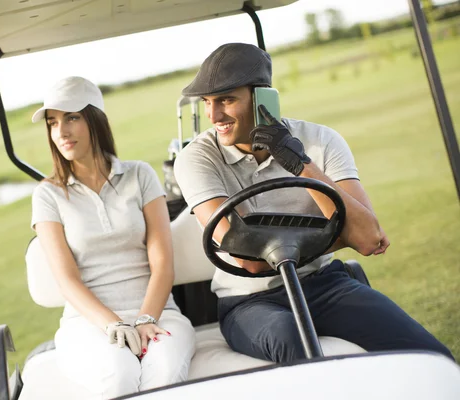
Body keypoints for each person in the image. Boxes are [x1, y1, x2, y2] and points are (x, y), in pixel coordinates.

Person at [173, 43, 453, 363]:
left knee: (433, 356)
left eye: (226, 99)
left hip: (326, 285)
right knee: (296, 344)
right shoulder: (196, 158)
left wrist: (299, 164)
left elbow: (367, 237)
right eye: (207, 102)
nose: (213, 115)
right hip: (250, 301)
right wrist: (336, 234)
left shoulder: (320, 140)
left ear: (264, 97)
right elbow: (249, 259)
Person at [30, 76, 196, 398]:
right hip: (88, 324)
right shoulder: (47, 196)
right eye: (53, 123)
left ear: (95, 119)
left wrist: (146, 318)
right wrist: (114, 325)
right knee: (120, 374)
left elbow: (163, 265)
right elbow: (67, 281)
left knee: (163, 374)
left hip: (159, 313)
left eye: (72, 118)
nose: (61, 132)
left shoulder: (140, 175)